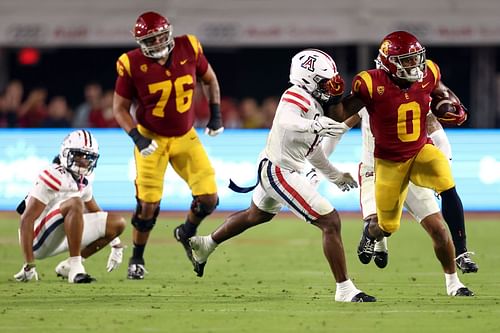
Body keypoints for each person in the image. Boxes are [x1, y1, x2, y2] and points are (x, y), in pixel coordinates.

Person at [189, 49, 376, 302]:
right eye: (324, 82)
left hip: (280, 166)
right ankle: (344, 289)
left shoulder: (316, 103)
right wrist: (314, 124)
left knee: (256, 215)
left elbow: (313, 153)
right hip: (279, 170)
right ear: (308, 80)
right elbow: (288, 121)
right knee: (330, 221)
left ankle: (205, 244)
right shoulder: (296, 94)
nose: (331, 88)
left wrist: (334, 176)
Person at [330, 31, 477, 279]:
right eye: (408, 60)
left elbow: (441, 96)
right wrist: (332, 97)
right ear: (390, 62)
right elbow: (342, 116)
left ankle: (461, 253)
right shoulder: (370, 85)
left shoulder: (427, 74)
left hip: (420, 152)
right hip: (387, 165)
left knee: (446, 183)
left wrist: (455, 107)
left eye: (416, 58)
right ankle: (373, 235)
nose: (415, 65)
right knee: (387, 226)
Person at [312, 109, 473, 296]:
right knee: (376, 224)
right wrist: (319, 168)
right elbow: (339, 128)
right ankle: (376, 236)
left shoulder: (415, 91)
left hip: (411, 166)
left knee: (438, 229)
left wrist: (444, 168)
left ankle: (453, 283)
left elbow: (435, 128)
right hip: (376, 170)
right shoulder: (368, 91)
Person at [113, 11, 223, 280]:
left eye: (161, 35)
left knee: (209, 198)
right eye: (151, 38)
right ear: (141, 41)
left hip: (186, 136)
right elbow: (119, 108)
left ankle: (186, 232)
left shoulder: (190, 46)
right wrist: (137, 138)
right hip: (151, 137)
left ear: (169, 32)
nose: (158, 41)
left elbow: (209, 79)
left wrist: (215, 113)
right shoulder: (130, 63)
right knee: (147, 205)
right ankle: (137, 258)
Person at [14, 129, 126, 283]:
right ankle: (76, 267)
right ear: (65, 153)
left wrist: (116, 244)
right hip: (37, 239)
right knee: (75, 203)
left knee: (117, 223)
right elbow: (26, 219)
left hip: (64, 235)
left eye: (88, 157)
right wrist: (29, 263)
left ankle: (68, 266)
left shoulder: (83, 180)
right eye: (78, 155)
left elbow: (97, 212)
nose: (83, 161)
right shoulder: (53, 174)